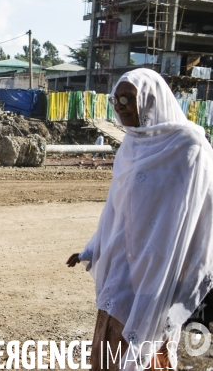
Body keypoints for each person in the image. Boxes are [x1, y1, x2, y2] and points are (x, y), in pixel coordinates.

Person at [67, 68, 213, 370]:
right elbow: (115, 211)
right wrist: (91, 249)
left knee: (147, 348)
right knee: (110, 345)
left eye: (128, 98)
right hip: (124, 267)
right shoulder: (130, 147)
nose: (119, 105)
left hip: (161, 270)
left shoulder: (190, 144)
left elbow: (203, 210)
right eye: (115, 99)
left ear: (150, 100)